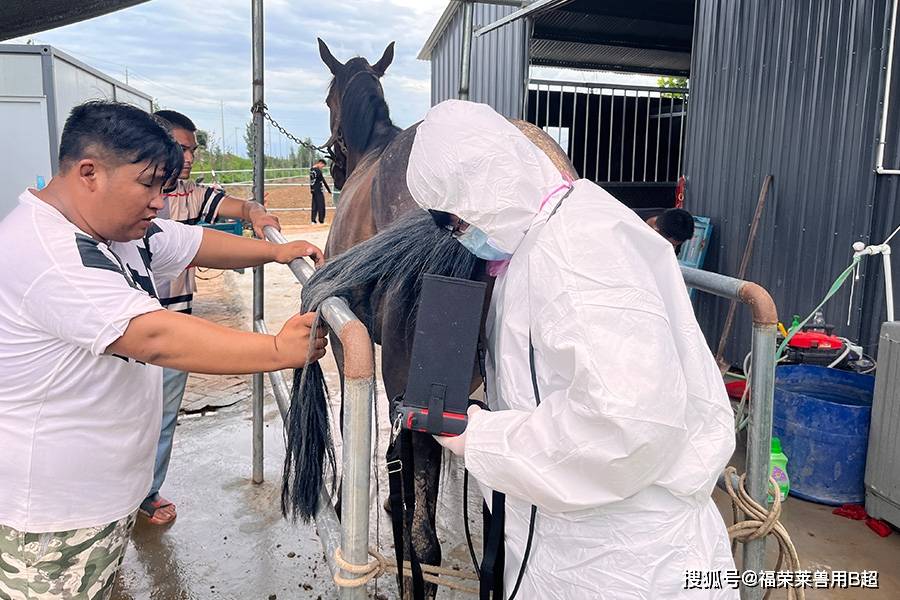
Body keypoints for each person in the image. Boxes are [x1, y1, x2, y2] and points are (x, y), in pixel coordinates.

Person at [406, 100, 737, 599]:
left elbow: (628, 428)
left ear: (481, 189)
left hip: (626, 564)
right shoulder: (542, 242)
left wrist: (481, 437)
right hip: (579, 548)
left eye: (455, 220)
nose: (461, 235)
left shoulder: (580, 251)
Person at [0, 100, 326, 599]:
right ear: (89, 172)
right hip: (52, 515)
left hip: (101, 495)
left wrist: (276, 251)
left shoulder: (113, 229)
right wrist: (277, 349)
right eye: (148, 184)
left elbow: (192, 242)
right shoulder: (48, 253)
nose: (159, 201)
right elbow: (154, 336)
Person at [139, 109, 282, 526]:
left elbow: (232, 212)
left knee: (164, 416)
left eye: (193, 149)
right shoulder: (129, 196)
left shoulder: (190, 193)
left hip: (175, 319)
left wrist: (258, 217)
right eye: (181, 148)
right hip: (130, 324)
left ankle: (147, 493)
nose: (188, 157)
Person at [309, 157, 331, 224]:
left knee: (314, 205)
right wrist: (328, 189)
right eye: (322, 166)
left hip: (313, 190)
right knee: (321, 205)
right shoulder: (318, 171)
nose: (322, 167)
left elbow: (312, 181)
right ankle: (321, 220)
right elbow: (323, 180)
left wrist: (312, 189)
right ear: (320, 163)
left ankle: (313, 220)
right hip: (318, 190)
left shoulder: (311, 170)